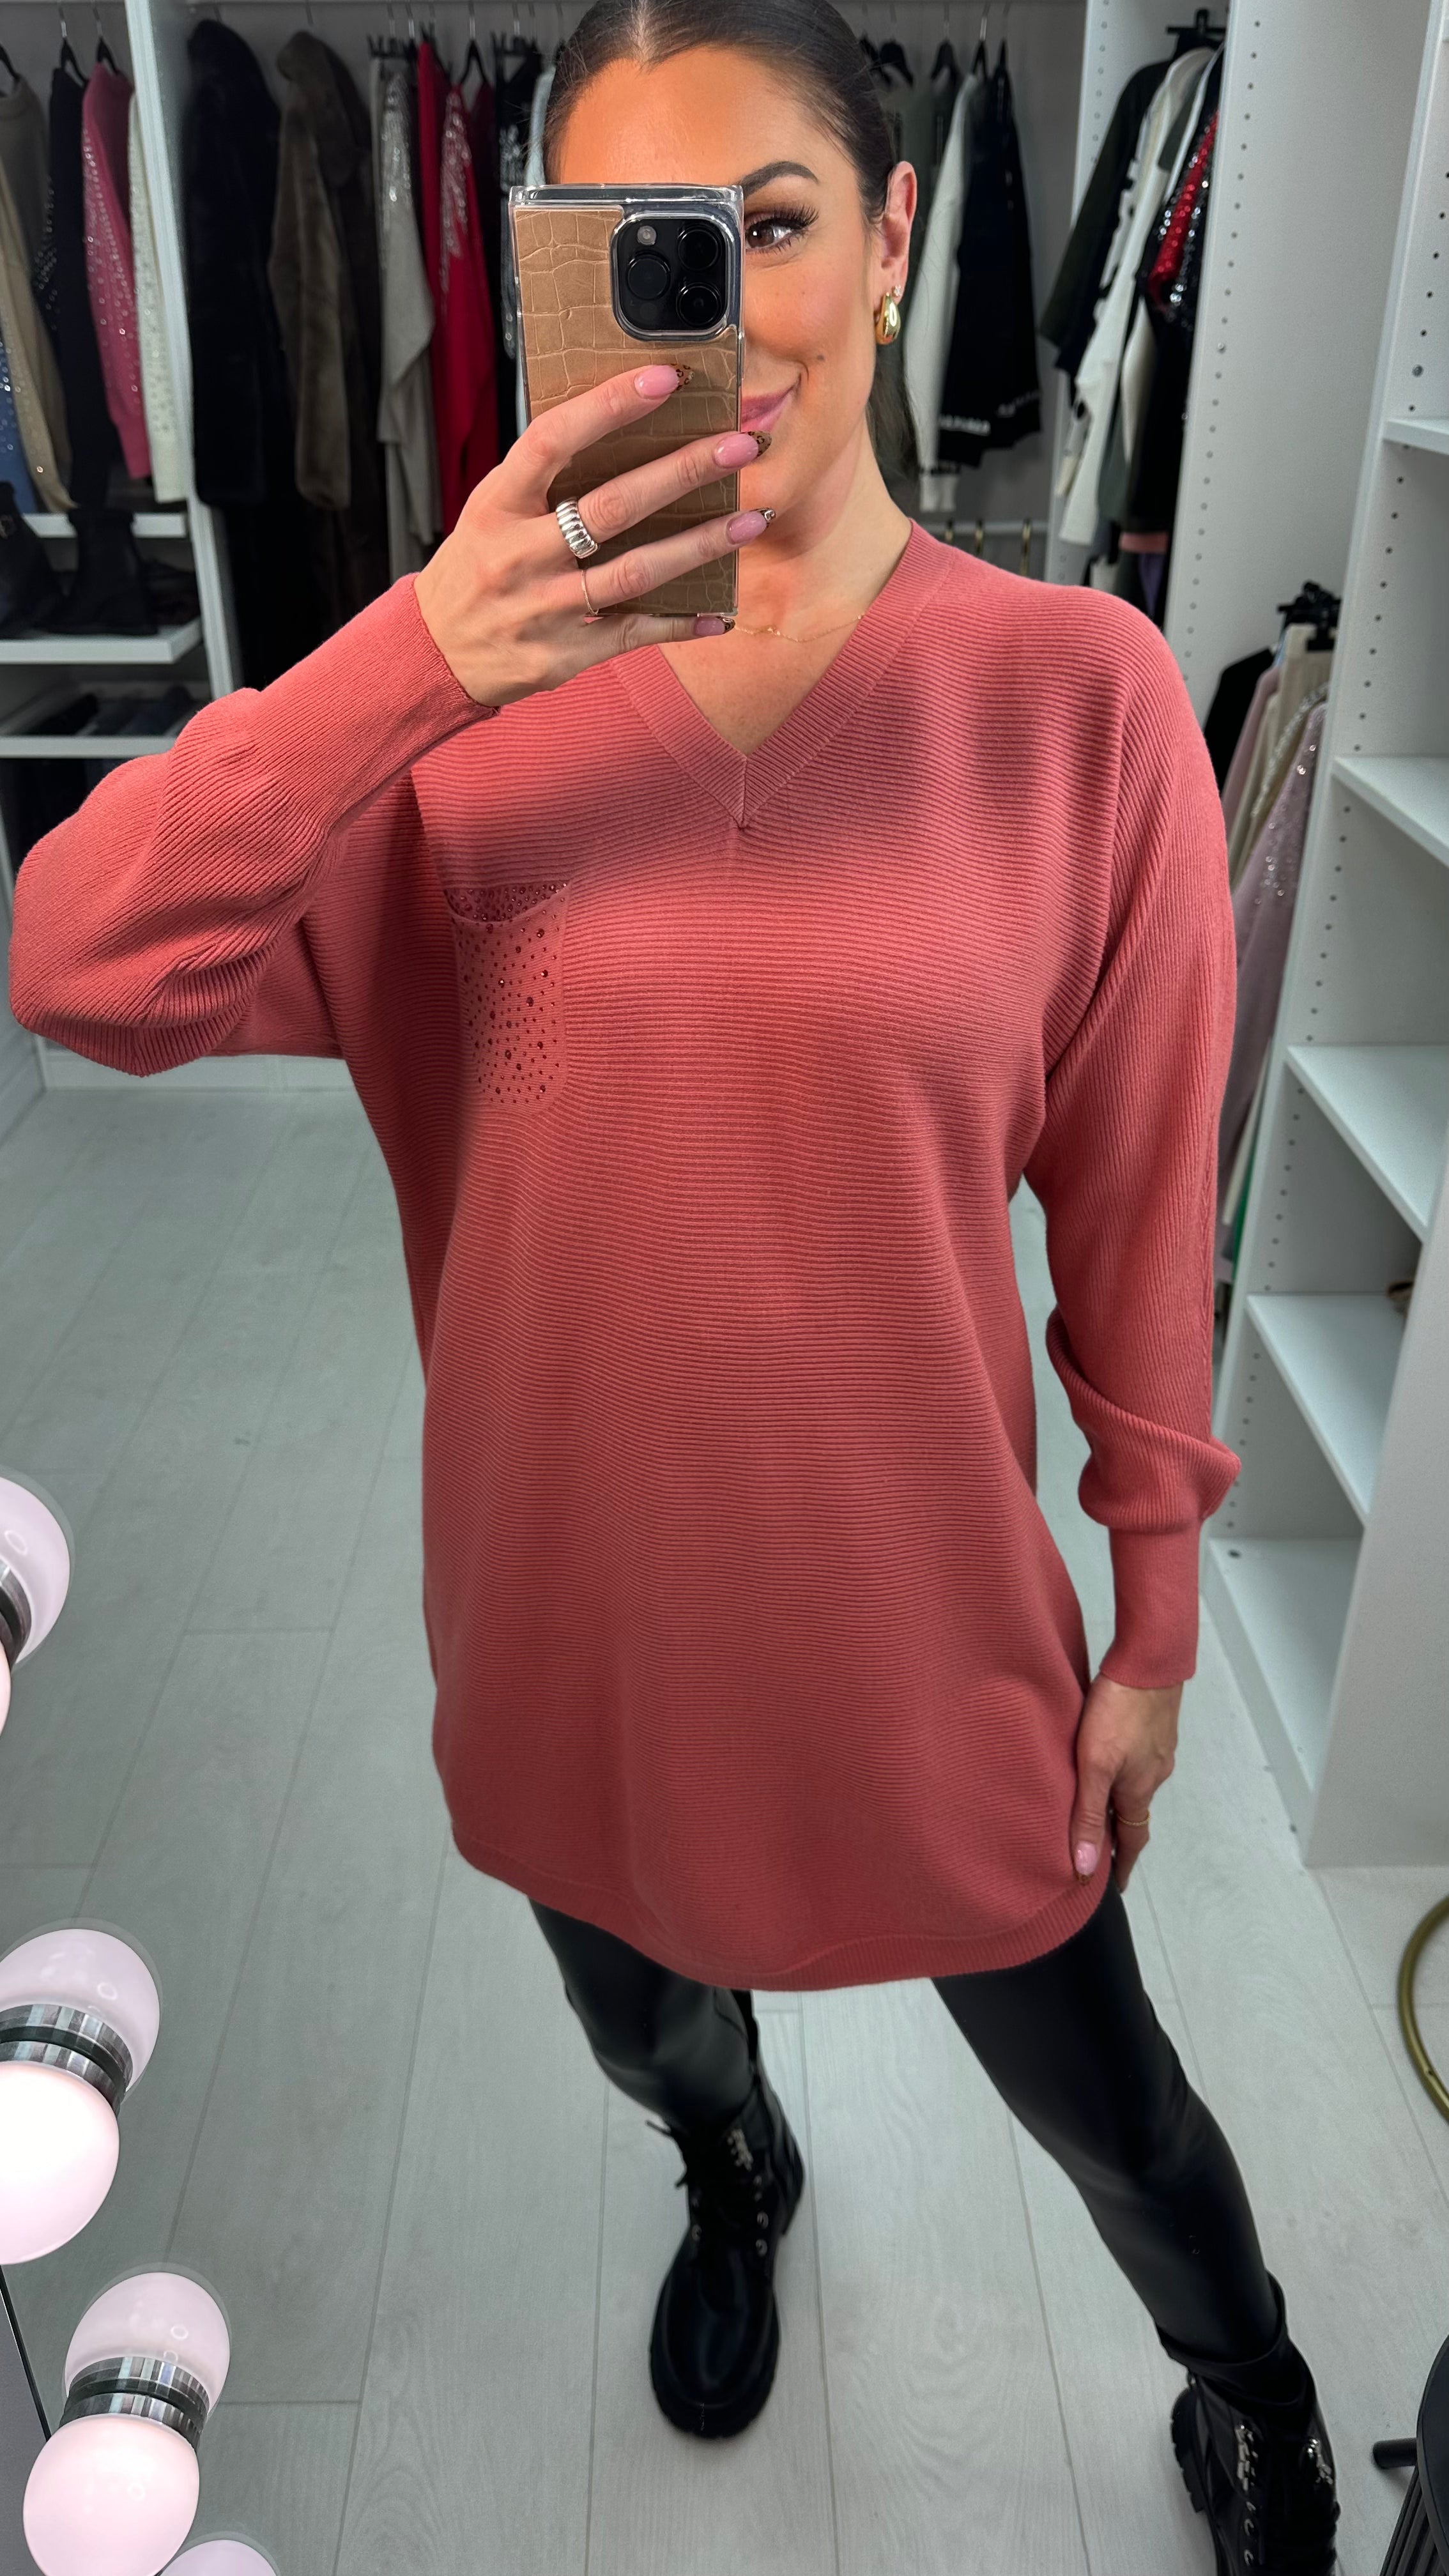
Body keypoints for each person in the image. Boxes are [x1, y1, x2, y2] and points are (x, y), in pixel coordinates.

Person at [8, 1, 1340, 2566]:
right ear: (548, 282)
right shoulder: (447, 732)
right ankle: (736, 2181)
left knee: (1112, 2099)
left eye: (778, 222)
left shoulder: (1071, 706)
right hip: (573, 1634)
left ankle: (1252, 2386)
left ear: (903, 235)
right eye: (642, 240)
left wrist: (1156, 1610)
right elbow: (76, 962)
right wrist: (419, 657)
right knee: (646, 2030)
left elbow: (1135, 1205)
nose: (721, 294)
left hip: (922, 1634)